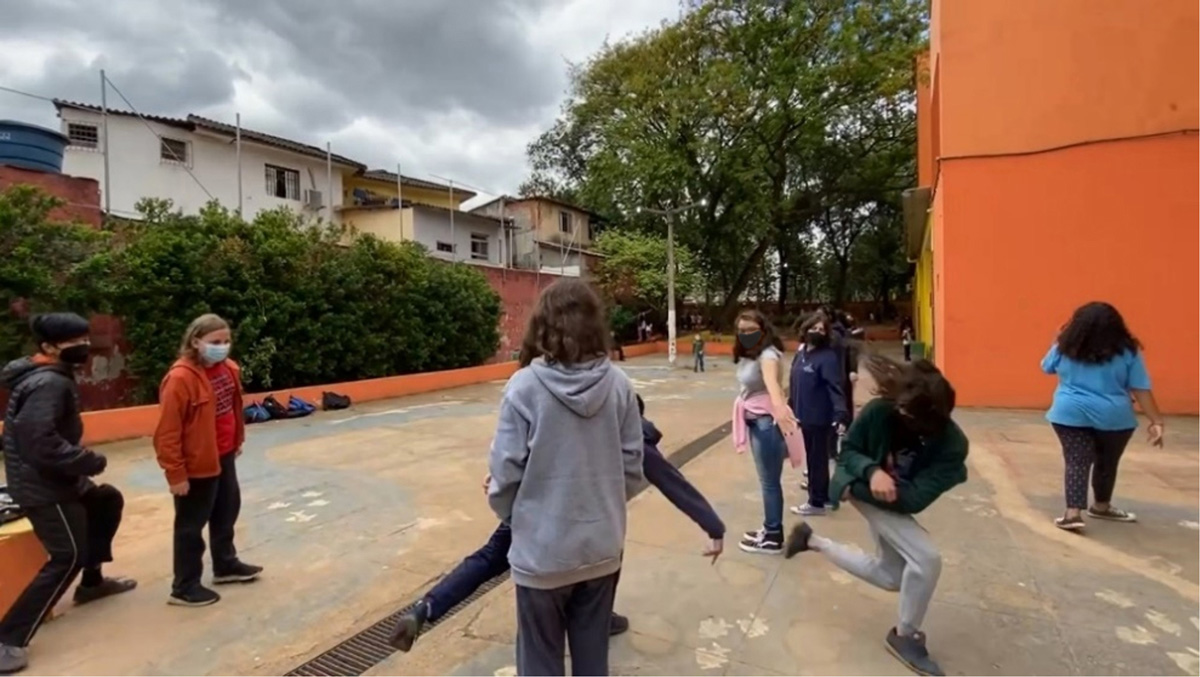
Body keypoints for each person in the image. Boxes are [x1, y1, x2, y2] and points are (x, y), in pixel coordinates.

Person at [388, 394, 724, 654]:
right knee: (605, 563)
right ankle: (599, 620)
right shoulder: (633, 441)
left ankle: (427, 607)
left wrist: (500, 480)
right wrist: (714, 526)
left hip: (529, 511)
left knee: (488, 559)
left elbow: (524, 453)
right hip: (583, 525)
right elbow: (674, 484)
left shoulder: (577, 427)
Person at [487, 279, 644, 676]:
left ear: (542, 325)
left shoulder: (523, 387)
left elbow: (504, 474)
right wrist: (600, 503)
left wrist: (517, 517)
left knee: (539, 660)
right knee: (593, 661)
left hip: (542, 555)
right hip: (601, 550)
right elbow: (633, 468)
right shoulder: (620, 386)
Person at [784, 355, 967, 677]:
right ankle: (905, 637)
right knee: (926, 559)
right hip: (864, 487)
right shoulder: (881, 411)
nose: (902, 415)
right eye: (901, 408)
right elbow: (849, 451)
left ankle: (813, 541)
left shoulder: (951, 446)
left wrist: (854, 488)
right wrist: (869, 472)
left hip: (873, 493)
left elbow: (913, 499)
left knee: (891, 576)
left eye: (910, 415)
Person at [0, 313, 136, 675]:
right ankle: (8, 639)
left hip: (58, 479)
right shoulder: (48, 383)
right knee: (67, 555)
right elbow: (39, 442)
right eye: (75, 341)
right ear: (48, 347)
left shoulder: (49, 375)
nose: (85, 347)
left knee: (105, 500)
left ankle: (92, 583)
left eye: (85, 338)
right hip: (44, 485)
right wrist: (85, 460)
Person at [154, 314, 262, 608]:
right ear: (196, 342)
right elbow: (168, 430)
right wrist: (175, 474)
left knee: (226, 510)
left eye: (226, 341)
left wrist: (237, 439)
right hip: (197, 462)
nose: (222, 347)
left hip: (224, 454)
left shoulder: (228, 369)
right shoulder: (180, 379)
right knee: (191, 524)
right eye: (215, 342)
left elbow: (232, 408)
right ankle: (184, 586)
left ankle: (225, 565)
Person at [1040, 302, 1164, 531]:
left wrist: (1057, 340)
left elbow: (1046, 367)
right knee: (1107, 462)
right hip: (1114, 417)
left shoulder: (1066, 346)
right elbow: (1140, 387)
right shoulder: (1128, 351)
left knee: (1077, 460)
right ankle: (1102, 506)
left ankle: (1072, 514)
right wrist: (1156, 421)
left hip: (1069, 413)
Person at [731, 309, 798, 555]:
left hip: (765, 424)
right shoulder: (752, 354)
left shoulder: (768, 355)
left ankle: (773, 536)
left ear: (763, 330)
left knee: (769, 483)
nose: (746, 334)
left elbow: (773, 385)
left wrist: (780, 409)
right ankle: (770, 528)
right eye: (742, 330)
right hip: (755, 421)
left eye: (751, 330)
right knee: (767, 481)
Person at [788, 312, 849, 516]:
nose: (817, 332)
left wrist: (840, 414)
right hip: (802, 415)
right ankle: (824, 497)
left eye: (821, 330)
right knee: (814, 459)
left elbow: (835, 387)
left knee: (817, 461)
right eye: (813, 328)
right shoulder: (802, 353)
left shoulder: (827, 357)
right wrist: (790, 406)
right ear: (805, 330)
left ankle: (816, 502)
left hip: (819, 417)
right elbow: (794, 381)